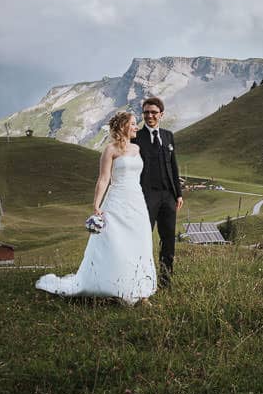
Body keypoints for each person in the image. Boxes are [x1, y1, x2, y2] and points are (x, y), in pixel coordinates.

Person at [35, 112, 156, 304]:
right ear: (123, 126)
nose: (136, 127)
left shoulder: (137, 148)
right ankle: (117, 287)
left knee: (139, 241)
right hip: (116, 200)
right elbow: (104, 179)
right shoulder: (110, 150)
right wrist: (96, 205)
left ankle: (140, 291)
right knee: (115, 243)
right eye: (133, 124)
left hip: (136, 201)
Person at [135, 96, 184, 286]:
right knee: (143, 237)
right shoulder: (136, 137)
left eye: (153, 112)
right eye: (146, 112)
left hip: (168, 196)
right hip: (146, 196)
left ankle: (166, 279)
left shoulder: (168, 135)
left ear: (161, 115)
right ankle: (141, 278)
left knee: (168, 238)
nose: (149, 116)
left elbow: (174, 166)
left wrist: (178, 193)